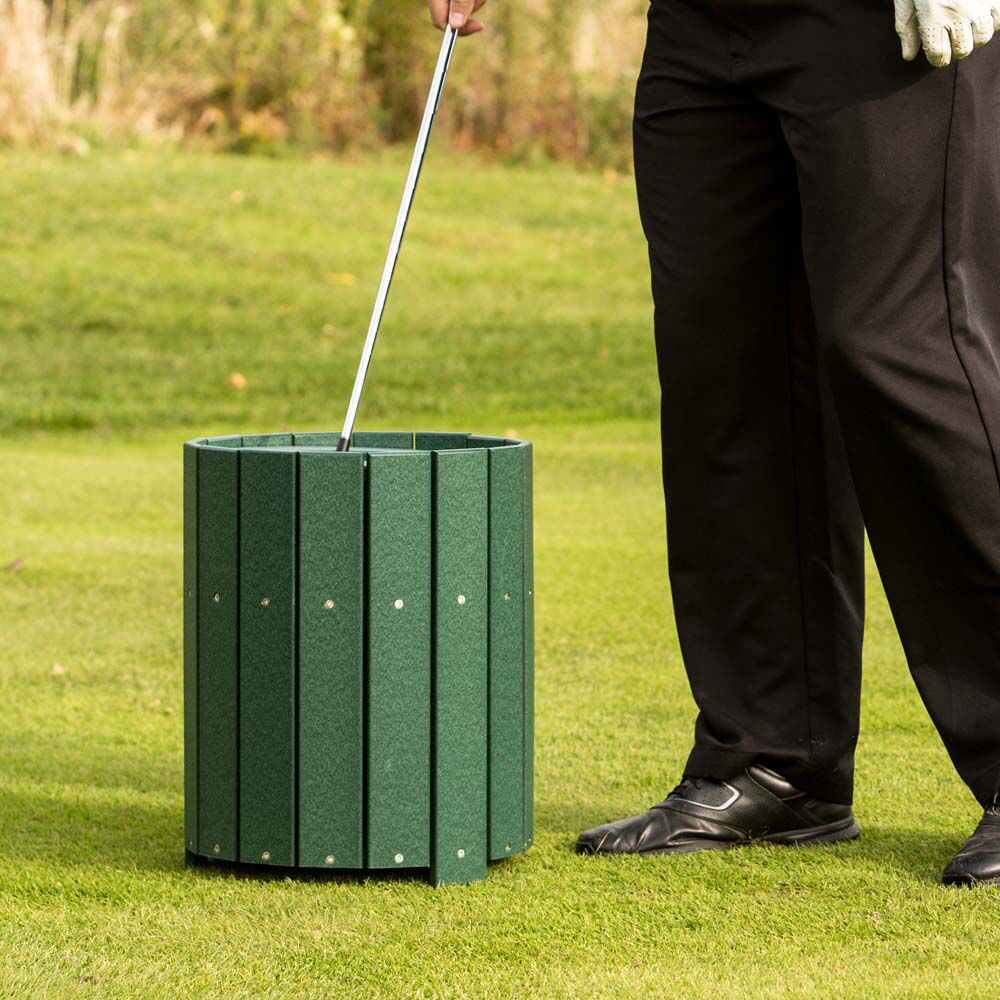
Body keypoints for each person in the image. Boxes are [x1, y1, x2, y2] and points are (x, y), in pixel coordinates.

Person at [428, 0, 1000, 886]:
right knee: (727, 364)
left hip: (873, 24)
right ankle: (775, 762)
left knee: (903, 345)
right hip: (701, 25)